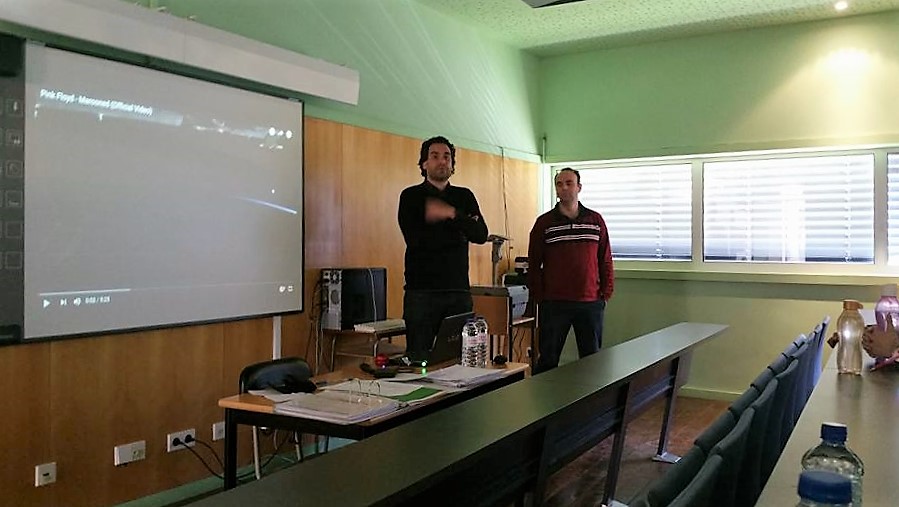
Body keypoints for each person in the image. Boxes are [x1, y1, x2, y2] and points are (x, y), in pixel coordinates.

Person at [398, 136, 488, 360]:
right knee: (420, 359)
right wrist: (461, 227)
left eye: (446, 157)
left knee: (459, 359)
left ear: (453, 164)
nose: (442, 161)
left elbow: (480, 235)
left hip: (458, 291)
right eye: (435, 156)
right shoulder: (411, 197)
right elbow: (417, 240)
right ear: (424, 164)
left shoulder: (464, 196)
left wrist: (450, 214)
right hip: (422, 293)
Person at [528, 167, 614, 374]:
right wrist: (541, 297)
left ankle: (592, 405)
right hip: (555, 304)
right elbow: (533, 264)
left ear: (579, 187)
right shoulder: (544, 223)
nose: (564, 188)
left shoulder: (595, 221)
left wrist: (606, 292)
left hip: (590, 302)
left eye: (569, 183)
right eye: (559, 184)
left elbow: (605, 259)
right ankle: (544, 404)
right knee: (548, 359)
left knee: (591, 360)